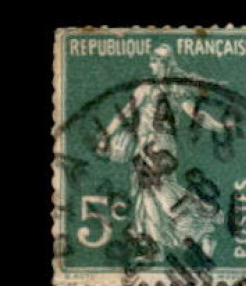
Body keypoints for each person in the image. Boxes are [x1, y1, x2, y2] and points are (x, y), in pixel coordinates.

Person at [95, 45, 231, 262]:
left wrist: (219, 127)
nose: (154, 65)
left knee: (157, 187)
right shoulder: (145, 89)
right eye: (153, 61)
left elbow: (197, 115)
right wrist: (106, 134)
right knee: (147, 194)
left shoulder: (177, 89)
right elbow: (124, 114)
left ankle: (201, 224)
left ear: (168, 63)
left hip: (161, 146)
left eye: (158, 61)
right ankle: (157, 244)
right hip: (144, 146)